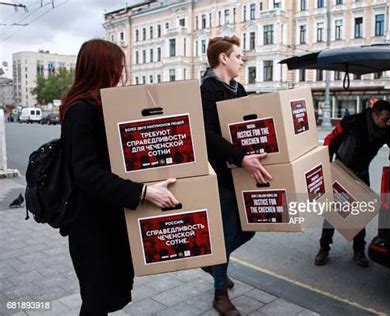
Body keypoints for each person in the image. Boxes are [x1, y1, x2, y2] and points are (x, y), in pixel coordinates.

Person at [60, 39, 179, 316]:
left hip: (107, 218)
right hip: (91, 225)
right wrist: (143, 192)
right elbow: (87, 172)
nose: (121, 72)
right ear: (103, 68)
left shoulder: (98, 106)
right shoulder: (81, 110)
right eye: (118, 66)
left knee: (105, 293)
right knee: (96, 299)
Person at [200, 36, 272, 316]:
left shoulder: (238, 88)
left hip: (241, 172)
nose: (242, 61)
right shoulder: (206, 90)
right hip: (219, 174)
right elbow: (206, 135)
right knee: (226, 230)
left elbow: (246, 124)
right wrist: (240, 156)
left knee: (249, 228)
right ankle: (220, 294)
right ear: (223, 58)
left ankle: (214, 262)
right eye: (239, 56)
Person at [314, 100, 390, 267]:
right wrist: (326, 165)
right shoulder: (353, 122)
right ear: (374, 115)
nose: (386, 123)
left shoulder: (386, 131)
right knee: (333, 212)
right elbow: (330, 140)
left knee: (360, 212)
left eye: (389, 120)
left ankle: (359, 251)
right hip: (342, 168)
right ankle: (324, 248)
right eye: (384, 119)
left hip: (361, 172)